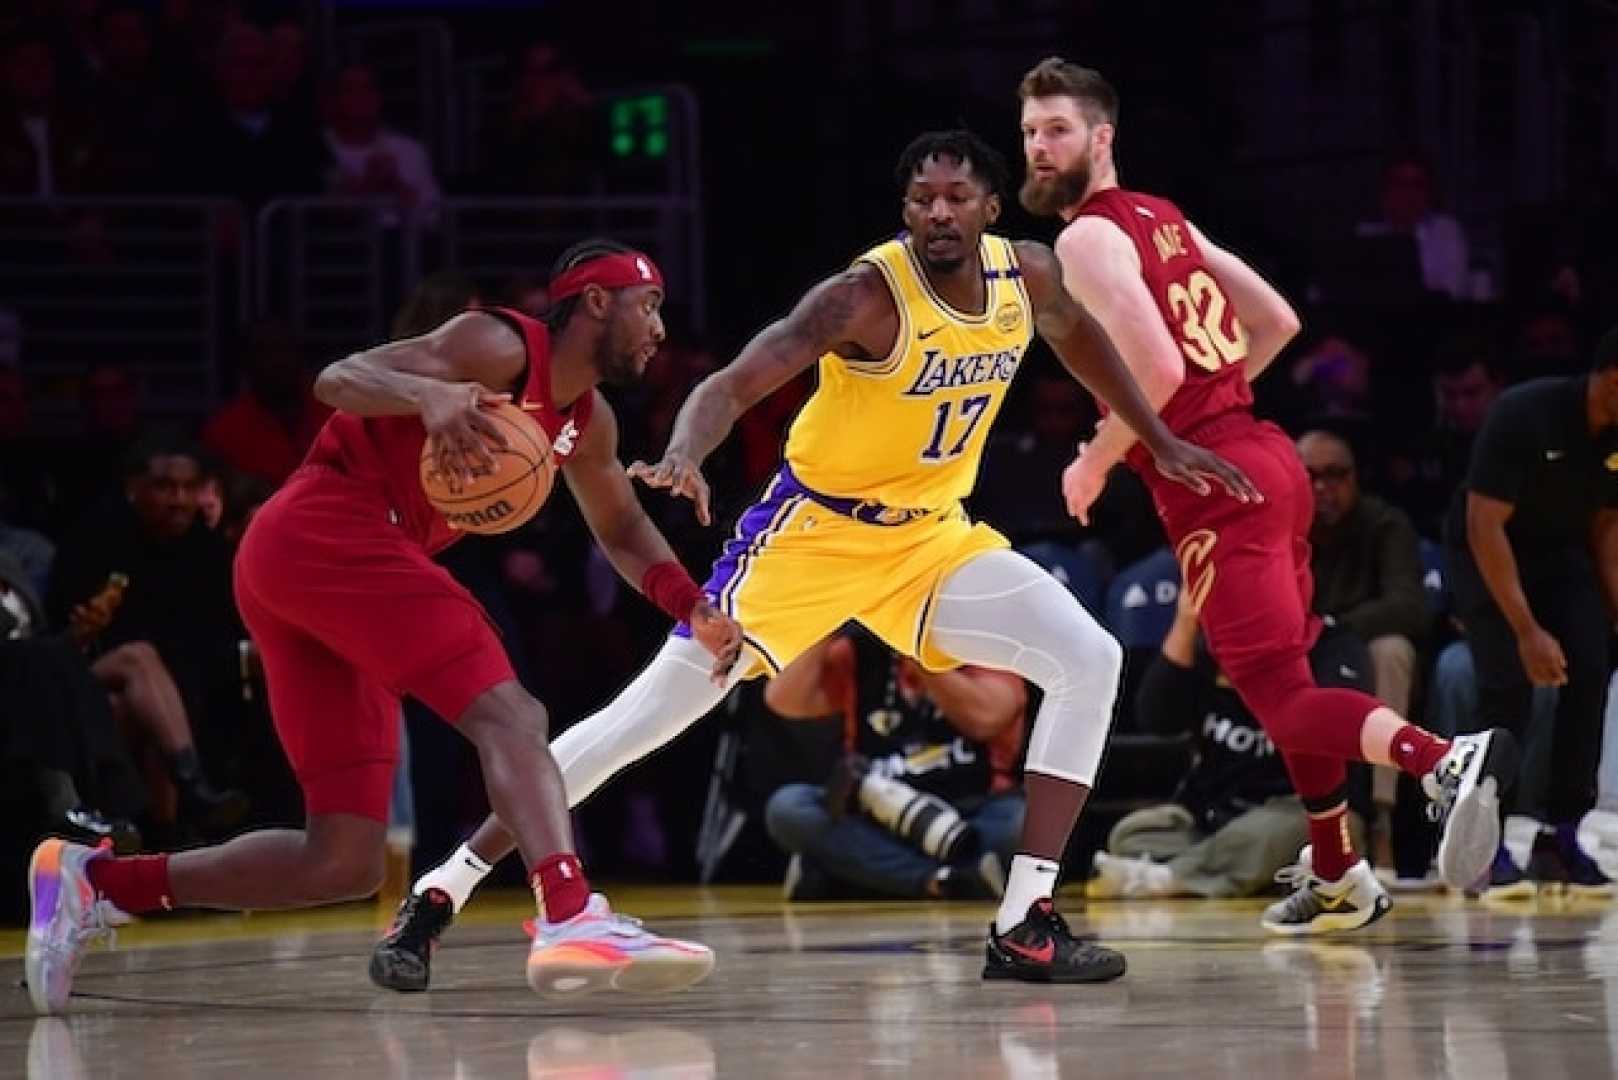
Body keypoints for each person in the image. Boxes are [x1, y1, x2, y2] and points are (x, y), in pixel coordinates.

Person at [374, 129, 1255, 989]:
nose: (938, 213)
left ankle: (1025, 921)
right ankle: (438, 891)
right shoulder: (864, 295)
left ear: (991, 206)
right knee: (642, 720)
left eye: (956, 197)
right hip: (812, 536)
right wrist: (686, 449)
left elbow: (1078, 337)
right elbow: (733, 381)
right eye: (920, 199)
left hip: (929, 537)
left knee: (1090, 656)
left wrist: (1158, 439)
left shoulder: (1029, 272)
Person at [24, 240, 735, 1015]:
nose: (660, 328)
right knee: (513, 713)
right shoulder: (494, 343)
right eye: (650, 304)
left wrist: (687, 602)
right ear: (597, 300)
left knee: (343, 859)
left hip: (317, 565)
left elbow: (623, 527)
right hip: (330, 524)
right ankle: (570, 913)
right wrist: (426, 397)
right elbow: (338, 379)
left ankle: (93, 884)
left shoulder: (587, 424)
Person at [1017, 57, 1516, 933]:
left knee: (1280, 698)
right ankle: (1337, 867)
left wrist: (1096, 458)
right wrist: (1216, 405)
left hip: (1218, 483)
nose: (1039, 147)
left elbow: (1159, 369)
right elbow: (1276, 321)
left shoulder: (1086, 239)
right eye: (1029, 132)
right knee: (1287, 678)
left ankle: (1441, 760)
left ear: (1102, 138)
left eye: (1057, 130)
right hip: (1266, 456)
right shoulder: (1162, 220)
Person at [1443, 323, 1618, 892]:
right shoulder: (1525, 413)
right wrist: (1526, 630)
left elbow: (1606, 524)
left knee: (1593, 665)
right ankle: (1483, 843)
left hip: (1560, 551)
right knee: (1507, 685)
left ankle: (1561, 836)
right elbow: (1483, 522)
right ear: (1611, 381)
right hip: (1488, 548)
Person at [1087, 582, 1372, 900]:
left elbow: (1335, 730)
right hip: (1216, 815)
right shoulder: (1213, 647)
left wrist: (1263, 672)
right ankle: (1231, 872)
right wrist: (1184, 623)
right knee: (1131, 835)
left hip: (1302, 810)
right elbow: (1156, 719)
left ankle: (1172, 876)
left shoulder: (1333, 645)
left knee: (1266, 836)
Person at [762, 626, 1027, 901]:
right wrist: (829, 621)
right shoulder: (859, 652)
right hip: (881, 812)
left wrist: (919, 655)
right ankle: (946, 880)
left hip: (971, 807)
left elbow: (987, 720)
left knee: (1019, 826)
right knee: (789, 808)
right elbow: (782, 699)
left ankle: (850, 877)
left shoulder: (984, 643)